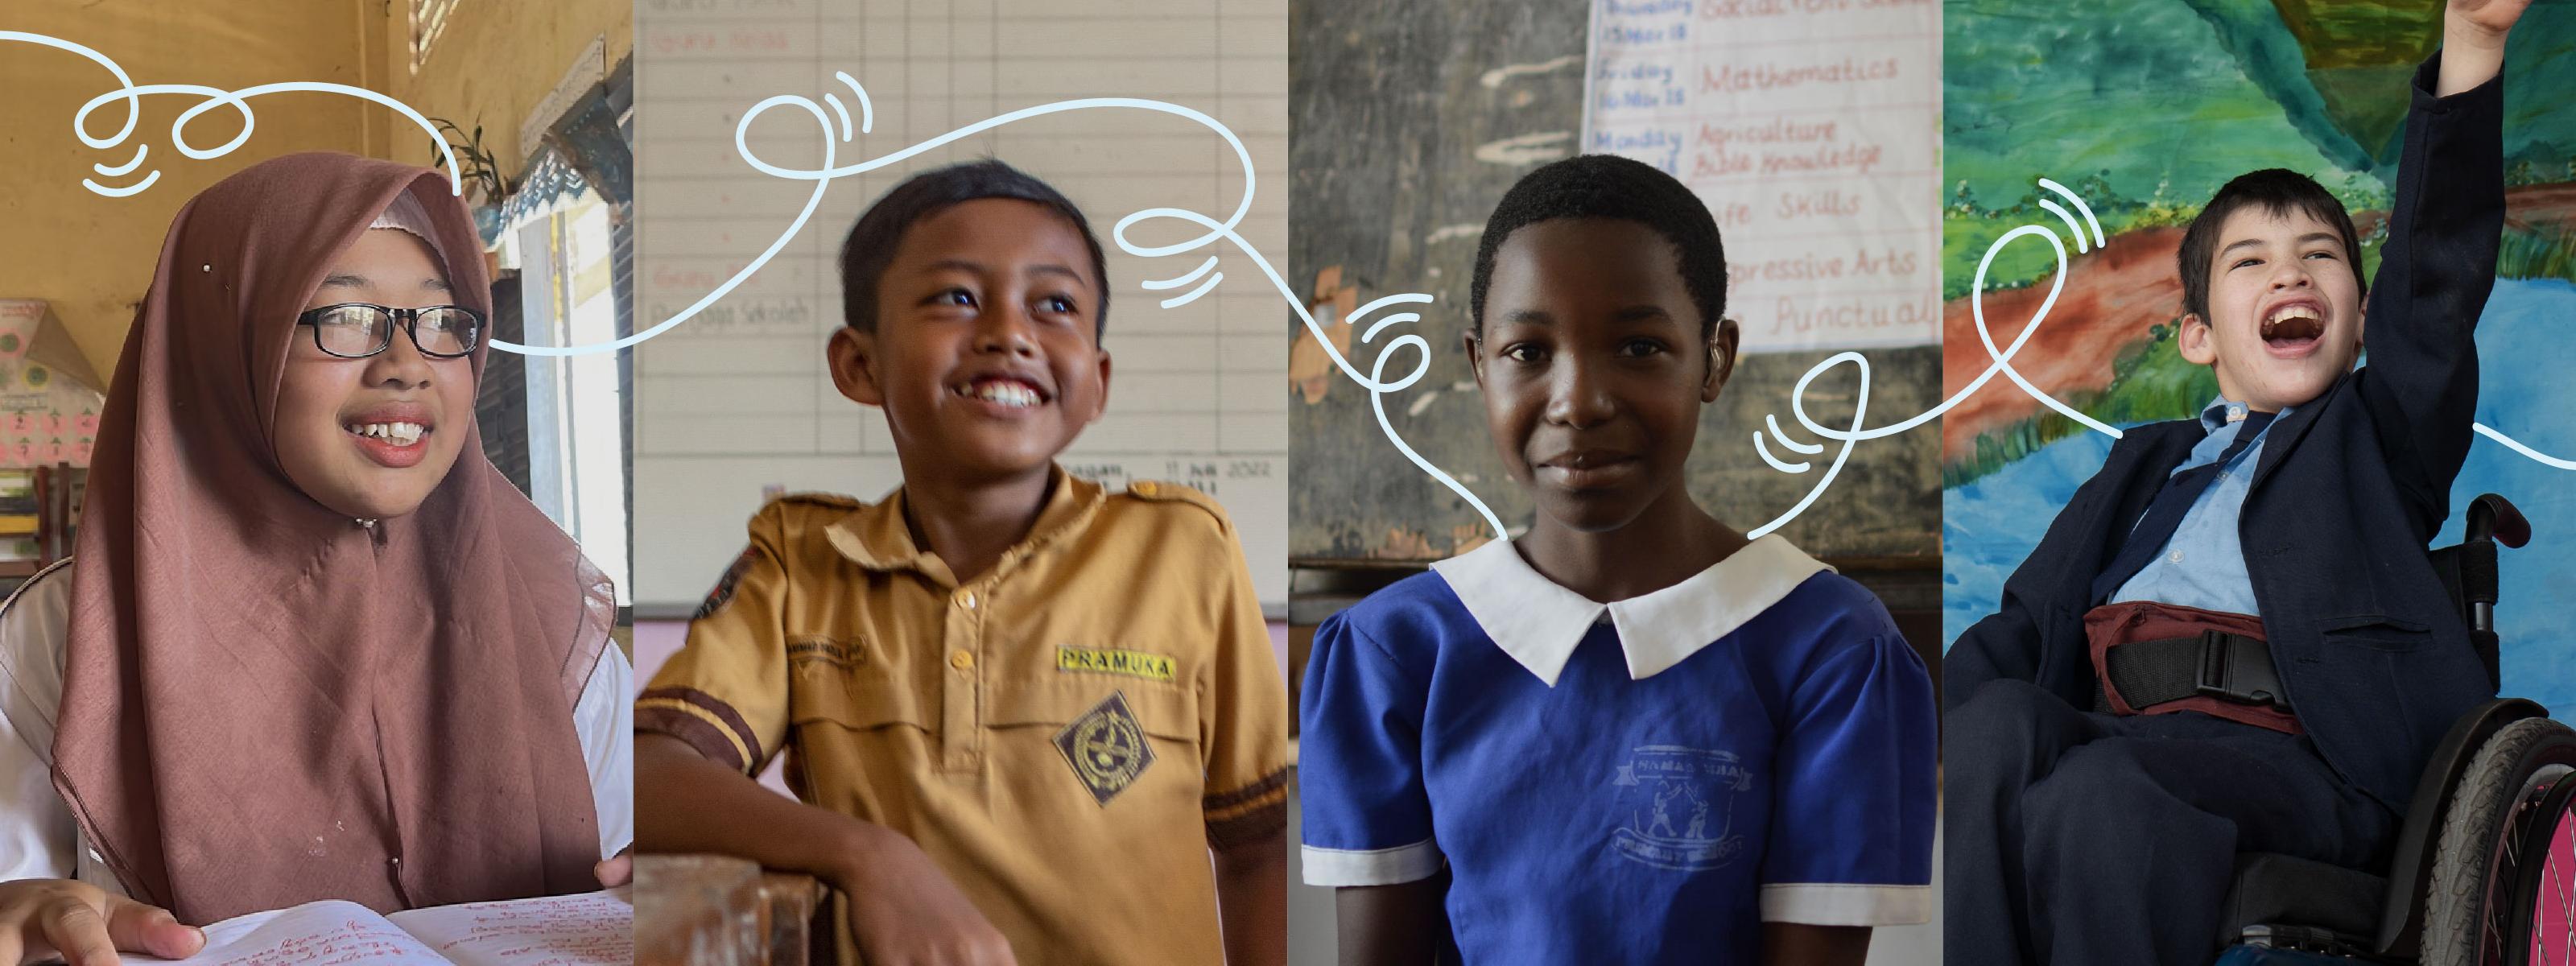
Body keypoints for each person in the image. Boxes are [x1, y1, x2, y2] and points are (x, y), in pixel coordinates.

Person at [1942, 2, 2528, 962]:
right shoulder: (2140, 467)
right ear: (2199, 335)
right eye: (2249, 262)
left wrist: (2472, 42)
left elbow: (2434, 285)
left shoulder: (2373, 440)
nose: (2288, 275)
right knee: (1992, 725)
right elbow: (2024, 626)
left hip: (2301, 758)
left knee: (2093, 801)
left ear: (2361, 320)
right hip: (2120, 733)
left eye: (2320, 258)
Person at [634, 159, 1290, 966]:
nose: (1008, 332)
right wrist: (871, 859)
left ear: (1097, 384)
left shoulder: (1182, 550)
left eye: (1054, 304)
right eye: (955, 297)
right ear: (859, 365)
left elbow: (1257, 844)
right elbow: (648, 775)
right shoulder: (802, 566)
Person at [1297, 154, 1937, 966]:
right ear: (1477, 364)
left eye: (1638, 346)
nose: (1578, 401)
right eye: (1527, 352)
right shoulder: (1391, 654)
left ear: (1713, 359)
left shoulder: (1833, 651)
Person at [0, 153, 633, 966]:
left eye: (445, 322)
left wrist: (663, 886)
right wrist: (23, 909)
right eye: (345, 319)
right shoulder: (64, 641)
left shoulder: (550, 620)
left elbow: (629, 881)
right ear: (224, 349)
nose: (408, 363)